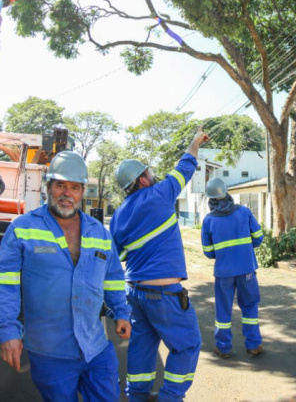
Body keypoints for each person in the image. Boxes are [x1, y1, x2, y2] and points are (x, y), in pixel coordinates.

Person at [0, 151, 131, 402]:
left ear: (82, 192)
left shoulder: (99, 232)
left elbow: (112, 277)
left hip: (95, 348)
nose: (67, 193)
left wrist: (121, 311)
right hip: (50, 353)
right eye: (61, 185)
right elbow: (6, 283)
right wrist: (9, 330)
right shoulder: (22, 229)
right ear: (48, 187)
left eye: (75, 187)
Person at [110, 127, 209, 402]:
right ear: (142, 180)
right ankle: (171, 397)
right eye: (147, 173)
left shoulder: (118, 216)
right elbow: (185, 167)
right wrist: (195, 140)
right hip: (165, 295)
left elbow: (113, 259)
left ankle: (137, 396)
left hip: (134, 294)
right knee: (187, 346)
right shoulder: (160, 193)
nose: (151, 176)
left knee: (141, 347)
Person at [200, 177, 265, 359]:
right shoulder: (244, 212)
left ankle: (223, 347)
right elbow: (259, 237)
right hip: (247, 271)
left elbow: (208, 251)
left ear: (210, 199)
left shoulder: (208, 221)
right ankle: (253, 345)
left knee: (223, 309)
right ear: (227, 193)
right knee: (250, 307)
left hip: (224, 273)